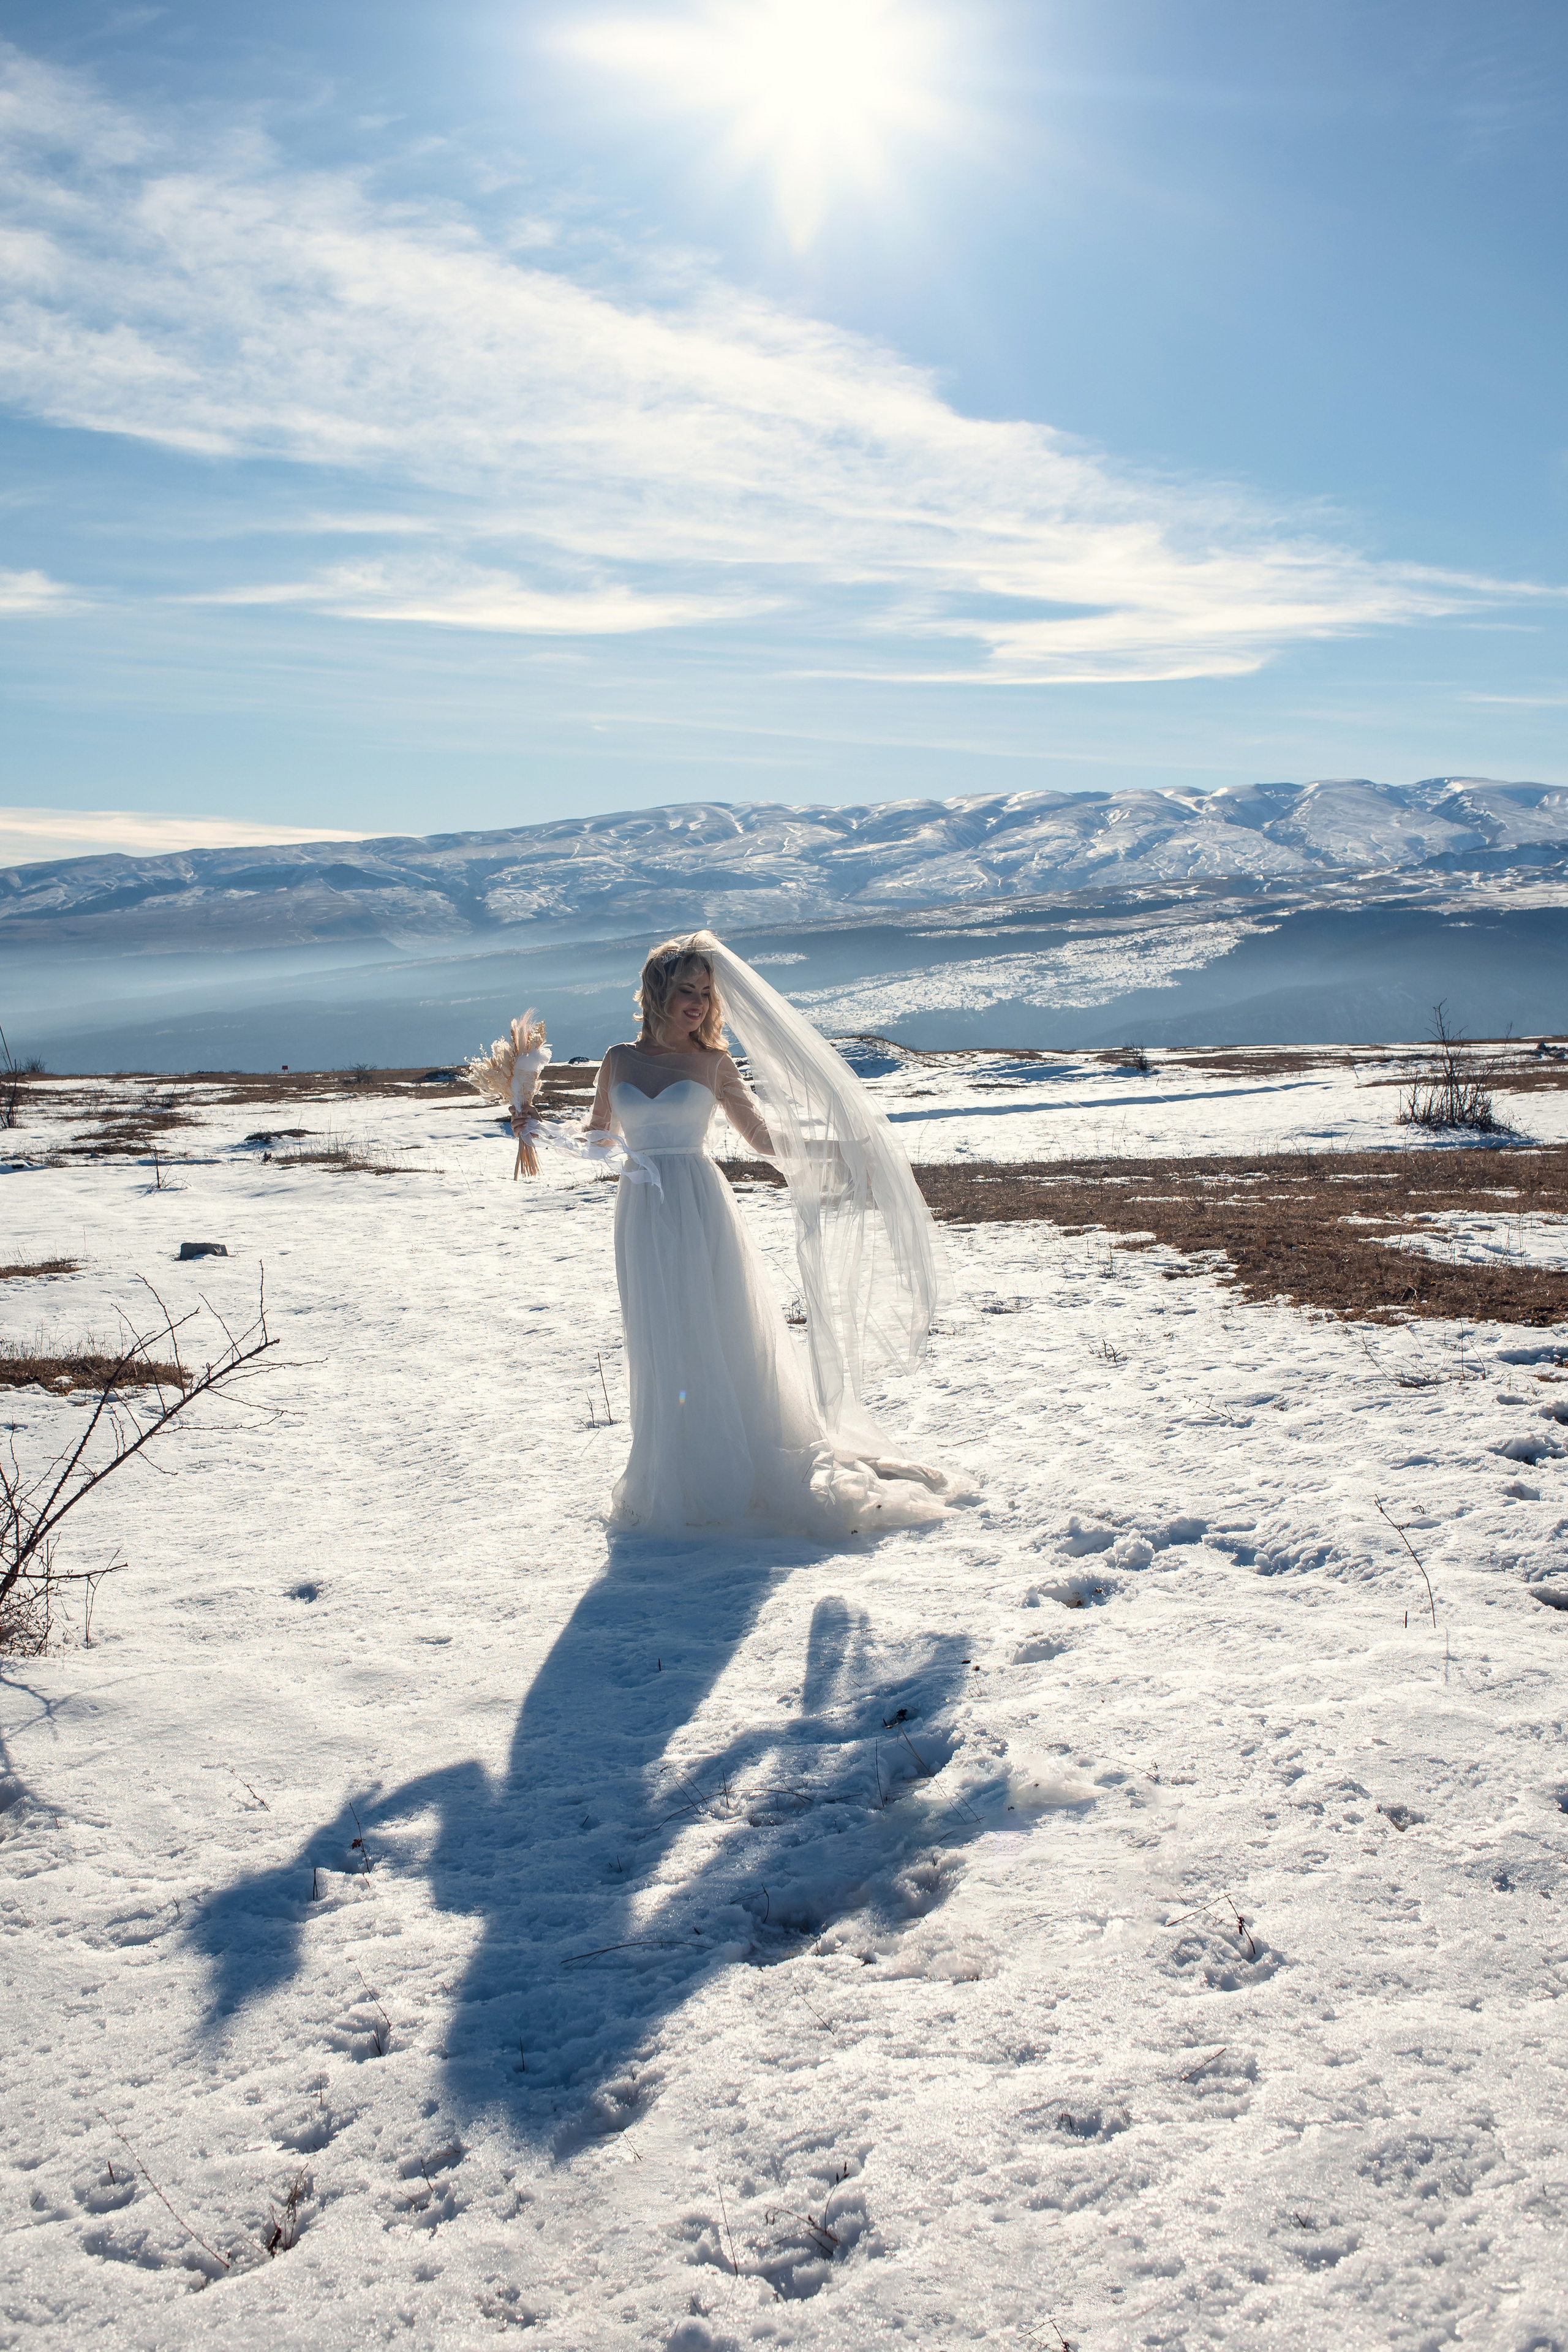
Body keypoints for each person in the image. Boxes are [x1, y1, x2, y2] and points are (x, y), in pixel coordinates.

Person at [516, 932, 970, 1537]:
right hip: (641, 1211)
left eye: (705, 992)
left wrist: (841, 1152)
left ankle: (731, 1467)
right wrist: (535, 1128)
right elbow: (601, 1141)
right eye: (686, 991)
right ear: (658, 993)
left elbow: (762, 1140)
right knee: (660, 1333)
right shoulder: (618, 1059)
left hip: (700, 1204)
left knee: (714, 1324)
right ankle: (671, 1474)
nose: (698, 1003)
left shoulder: (713, 1063)